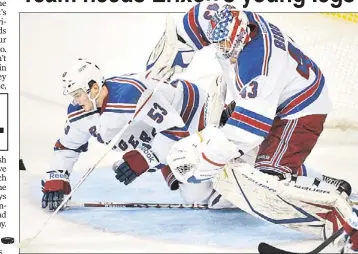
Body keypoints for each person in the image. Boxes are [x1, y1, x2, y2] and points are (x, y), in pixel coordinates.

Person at [146, 2, 357, 252]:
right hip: (277, 96)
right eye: (219, 43)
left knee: (266, 180)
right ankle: (325, 184)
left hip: (300, 108)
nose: (223, 49)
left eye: (227, 43)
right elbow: (197, 19)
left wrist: (206, 160)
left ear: (241, 34)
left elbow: (246, 133)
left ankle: (345, 223)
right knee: (258, 160)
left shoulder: (259, 64)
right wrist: (172, 56)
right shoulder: (232, 19)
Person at [40, 58, 239, 212]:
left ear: (94, 88)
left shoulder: (129, 96)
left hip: (189, 113)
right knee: (195, 197)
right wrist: (57, 177)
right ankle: (211, 161)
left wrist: (145, 158)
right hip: (157, 135)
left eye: (77, 94)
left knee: (202, 198)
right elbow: (68, 146)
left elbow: (175, 129)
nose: (74, 102)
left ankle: (231, 129)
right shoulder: (79, 113)